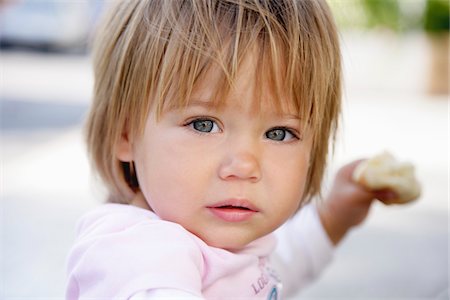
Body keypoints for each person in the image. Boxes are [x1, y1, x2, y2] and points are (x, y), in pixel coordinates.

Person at [65, 0, 398, 299]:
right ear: (125, 134)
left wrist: (334, 216)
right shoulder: (139, 257)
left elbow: (271, 274)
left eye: (279, 133)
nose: (244, 165)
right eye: (203, 125)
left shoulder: (224, 249)